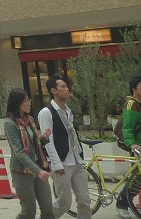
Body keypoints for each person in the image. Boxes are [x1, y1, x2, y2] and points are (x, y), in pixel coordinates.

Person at [37, 75, 90, 219]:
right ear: (53, 91)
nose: (67, 89)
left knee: (85, 201)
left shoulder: (68, 111)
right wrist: (56, 163)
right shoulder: (46, 112)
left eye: (67, 86)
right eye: (63, 86)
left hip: (76, 160)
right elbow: (48, 140)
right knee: (64, 203)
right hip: (61, 162)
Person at [4, 88, 53, 219]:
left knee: (48, 210)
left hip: (38, 167)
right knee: (28, 212)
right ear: (17, 103)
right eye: (25, 101)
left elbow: (35, 144)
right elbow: (19, 152)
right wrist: (38, 171)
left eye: (29, 100)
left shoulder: (29, 120)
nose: (29, 103)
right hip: (22, 172)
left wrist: (44, 138)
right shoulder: (10, 124)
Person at [116, 76, 141, 218]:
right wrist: (132, 144)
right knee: (138, 179)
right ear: (133, 88)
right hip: (140, 147)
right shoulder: (131, 104)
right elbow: (127, 127)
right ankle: (122, 203)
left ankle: (123, 202)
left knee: (139, 178)